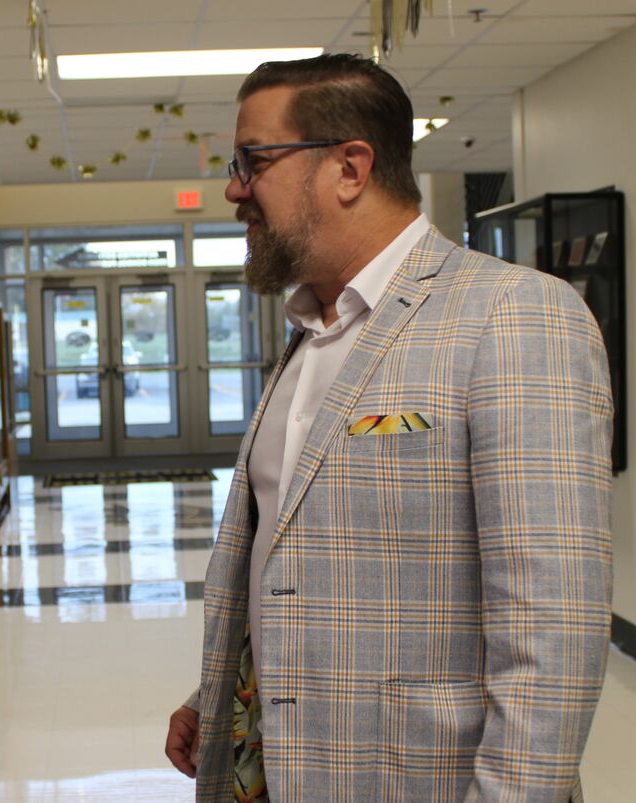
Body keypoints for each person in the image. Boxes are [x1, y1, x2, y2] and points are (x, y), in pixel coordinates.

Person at [166, 53, 612, 802]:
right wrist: (228, 693)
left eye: (253, 160)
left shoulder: (514, 314)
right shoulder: (311, 334)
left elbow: (554, 633)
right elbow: (318, 564)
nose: (234, 188)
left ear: (350, 167)